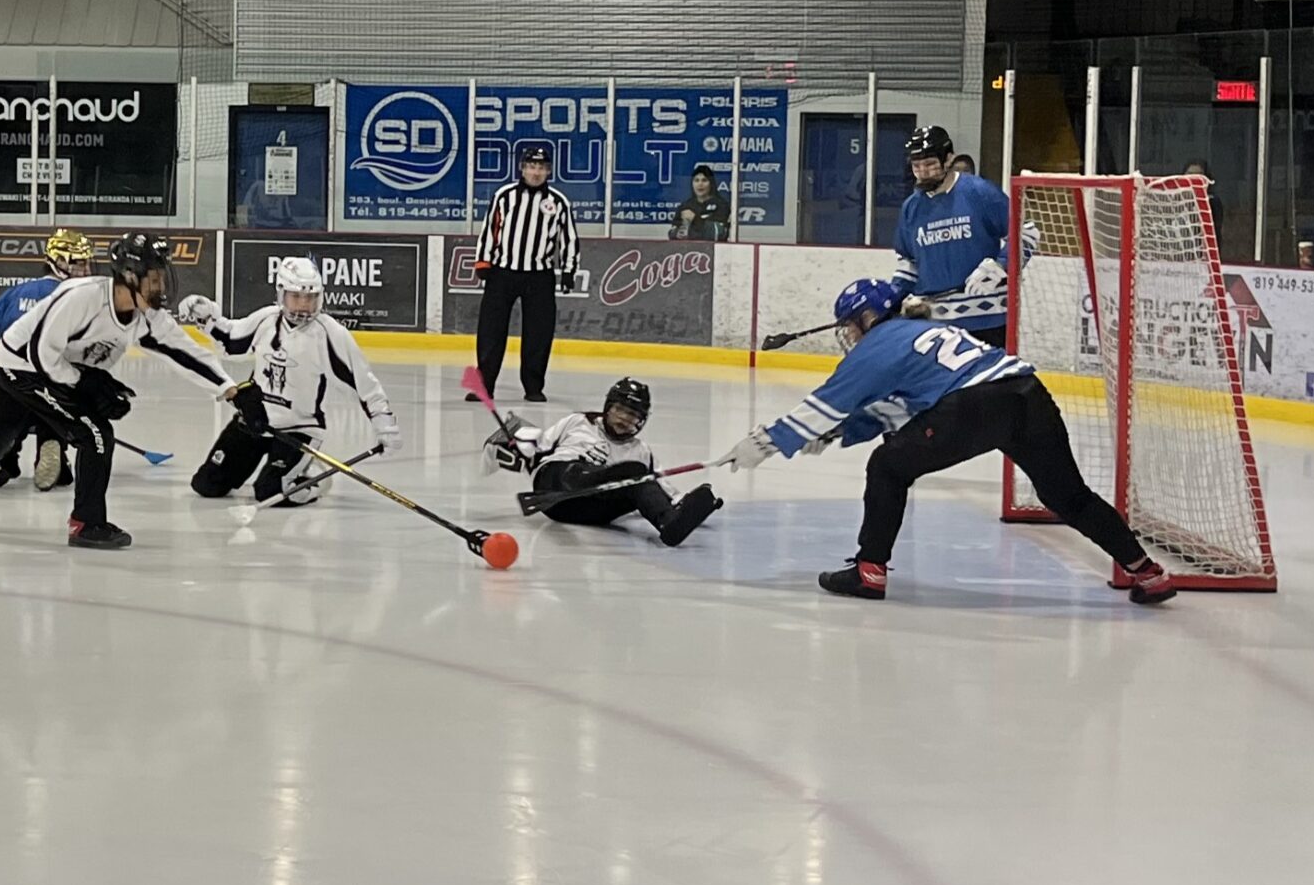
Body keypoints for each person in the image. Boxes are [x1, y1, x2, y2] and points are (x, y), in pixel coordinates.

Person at [714, 278, 1176, 604]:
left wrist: (767, 439)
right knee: (1066, 495)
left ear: (868, 318)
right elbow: (913, 405)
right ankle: (1147, 573)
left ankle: (869, 571)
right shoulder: (923, 331)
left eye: (851, 325)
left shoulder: (880, 344)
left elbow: (827, 401)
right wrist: (844, 431)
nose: (849, 336)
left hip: (975, 406)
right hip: (1026, 393)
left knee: (888, 467)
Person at [0, 233, 266, 549]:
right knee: (94, 434)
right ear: (128, 276)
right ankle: (86, 524)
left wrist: (232, 390)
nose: (162, 287)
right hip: (22, 370)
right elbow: (41, 354)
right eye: (154, 279)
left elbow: (185, 352)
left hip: (45, 371)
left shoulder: (146, 316)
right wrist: (85, 384)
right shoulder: (81, 298)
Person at [178, 257, 401, 506]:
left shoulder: (330, 334)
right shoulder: (266, 319)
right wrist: (207, 318)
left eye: (310, 298)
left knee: (270, 493)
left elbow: (364, 384)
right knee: (207, 485)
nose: (303, 305)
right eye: (296, 296)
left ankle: (314, 477)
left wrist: (385, 426)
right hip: (255, 422)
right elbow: (232, 341)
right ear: (281, 294)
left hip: (299, 431)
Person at [485, 378, 720, 546]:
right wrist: (519, 445)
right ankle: (585, 472)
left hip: (588, 509)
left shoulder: (640, 451)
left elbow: (661, 489)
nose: (624, 419)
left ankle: (668, 526)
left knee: (638, 474)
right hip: (555, 490)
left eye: (633, 415)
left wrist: (689, 505)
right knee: (576, 469)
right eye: (620, 410)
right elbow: (541, 447)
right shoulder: (578, 422)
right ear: (608, 408)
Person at [0, 228, 94, 492]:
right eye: (78, 262)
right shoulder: (79, 299)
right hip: (52, 386)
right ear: (59, 261)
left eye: (85, 262)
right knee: (54, 413)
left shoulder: (17, 293)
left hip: (12, 380)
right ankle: (55, 447)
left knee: (4, 419)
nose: (85, 268)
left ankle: (3, 458)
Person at [890, 125, 1038, 348]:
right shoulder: (911, 208)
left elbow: (1027, 232)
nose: (923, 171)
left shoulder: (980, 192)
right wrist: (896, 298)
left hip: (988, 321)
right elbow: (908, 263)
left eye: (930, 164)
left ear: (948, 159)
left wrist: (1001, 265)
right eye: (917, 165)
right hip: (935, 326)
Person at [470, 145, 581, 403]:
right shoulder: (504, 195)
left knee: (539, 333)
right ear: (522, 168)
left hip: (539, 275)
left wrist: (568, 270)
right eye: (531, 166)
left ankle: (533, 386)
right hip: (503, 272)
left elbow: (569, 238)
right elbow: (490, 229)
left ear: (549, 171)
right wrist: (483, 262)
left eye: (541, 167)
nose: (536, 172)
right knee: (491, 331)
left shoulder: (558, 202)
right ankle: (485, 385)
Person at [671, 165, 730, 240]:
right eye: (696, 180)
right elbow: (672, 232)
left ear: (711, 183)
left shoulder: (722, 205)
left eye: (704, 180)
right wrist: (677, 234)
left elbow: (718, 234)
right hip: (687, 250)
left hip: (715, 250)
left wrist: (695, 219)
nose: (700, 184)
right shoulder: (685, 206)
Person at [1183, 158, 1223, 241]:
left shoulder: (1213, 202)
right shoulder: (1175, 202)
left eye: (1198, 175)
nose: (1194, 179)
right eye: (1190, 174)